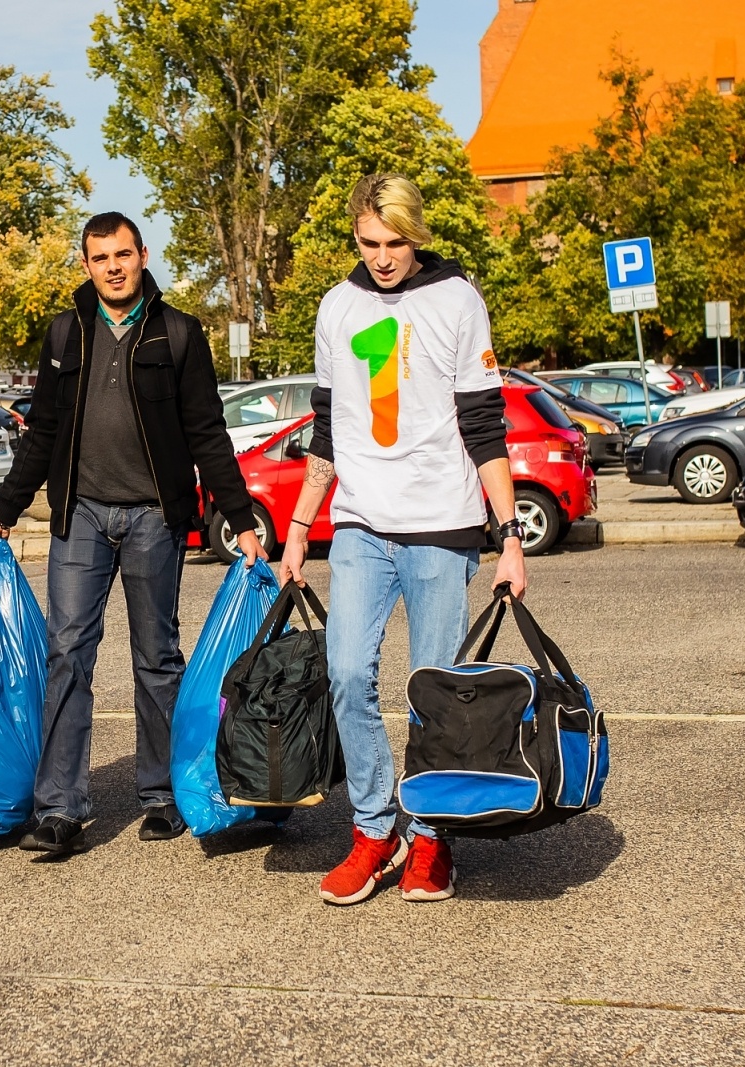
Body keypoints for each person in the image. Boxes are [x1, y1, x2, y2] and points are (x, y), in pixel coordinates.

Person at [0, 211, 265, 857]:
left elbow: (207, 433)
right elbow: (43, 431)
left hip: (153, 519)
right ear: (85, 264)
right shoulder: (65, 334)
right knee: (67, 655)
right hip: (79, 515)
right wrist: (4, 509)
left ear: (142, 256)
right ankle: (59, 808)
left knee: (157, 658)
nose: (113, 266)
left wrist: (241, 519)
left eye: (123, 254)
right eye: (100, 256)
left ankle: (161, 795)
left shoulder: (178, 333)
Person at [277, 174, 529, 905]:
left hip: (443, 528)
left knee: (434, 693)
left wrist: (509, 536)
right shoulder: (338, 306)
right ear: (354, 236)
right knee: (348, 673)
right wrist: (298, 528)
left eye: (395, 243)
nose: (382, 258)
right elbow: (326, 428)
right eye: (369, 243)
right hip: (359, 522)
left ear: (414, 235)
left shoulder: (457, 299)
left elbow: (485, 427)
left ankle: (429, 838)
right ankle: (374, 827)